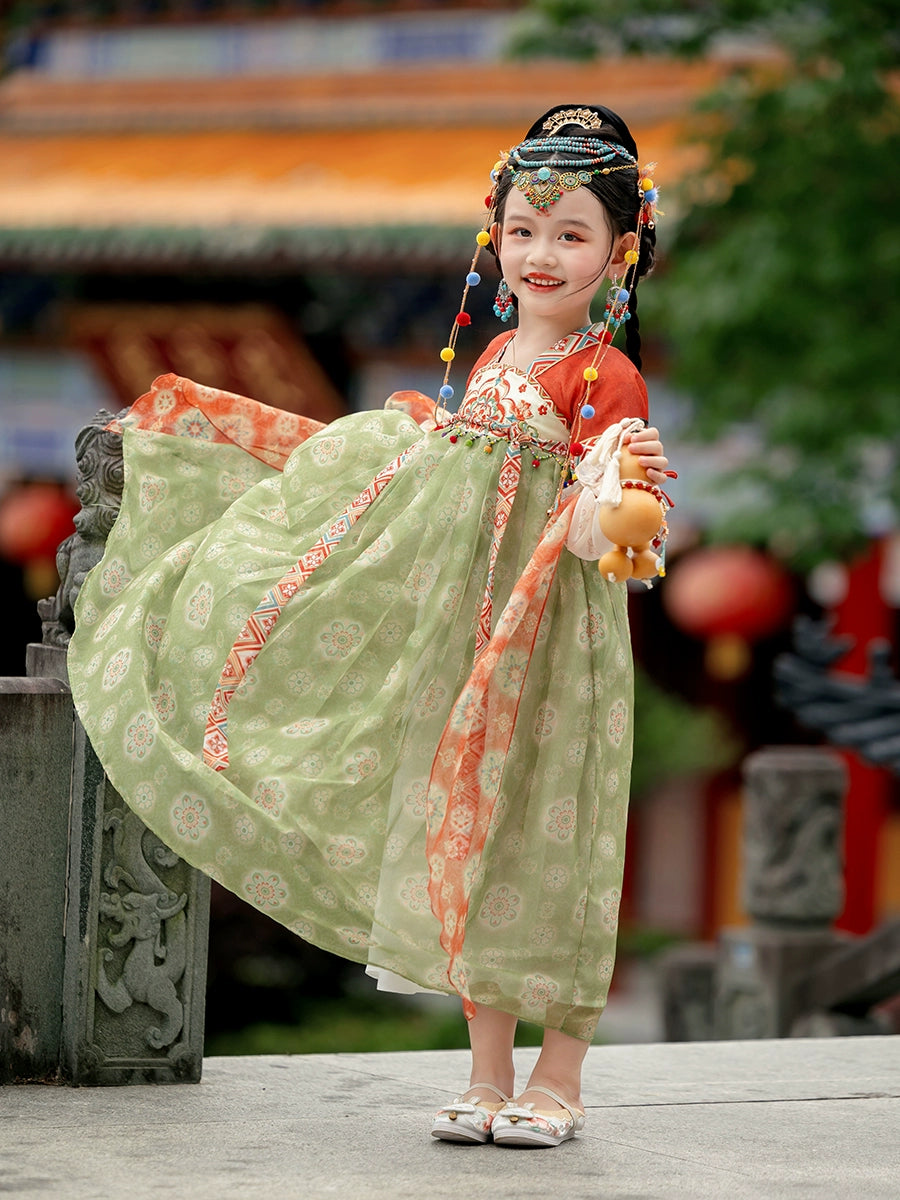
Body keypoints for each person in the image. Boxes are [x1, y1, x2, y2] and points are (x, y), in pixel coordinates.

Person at [67, 102, 672, 1149]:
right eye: (523, 231)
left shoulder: (602, 375)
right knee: (466, 832)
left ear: (620, 252)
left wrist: (615, 507)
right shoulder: (490, 359)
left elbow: (603, 520)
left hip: (546, 644)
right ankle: (487, 1073)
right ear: (495, 236)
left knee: (544, 836)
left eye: (571, 234)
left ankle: (559, 1077)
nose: (540, 255)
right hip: (462, 627)